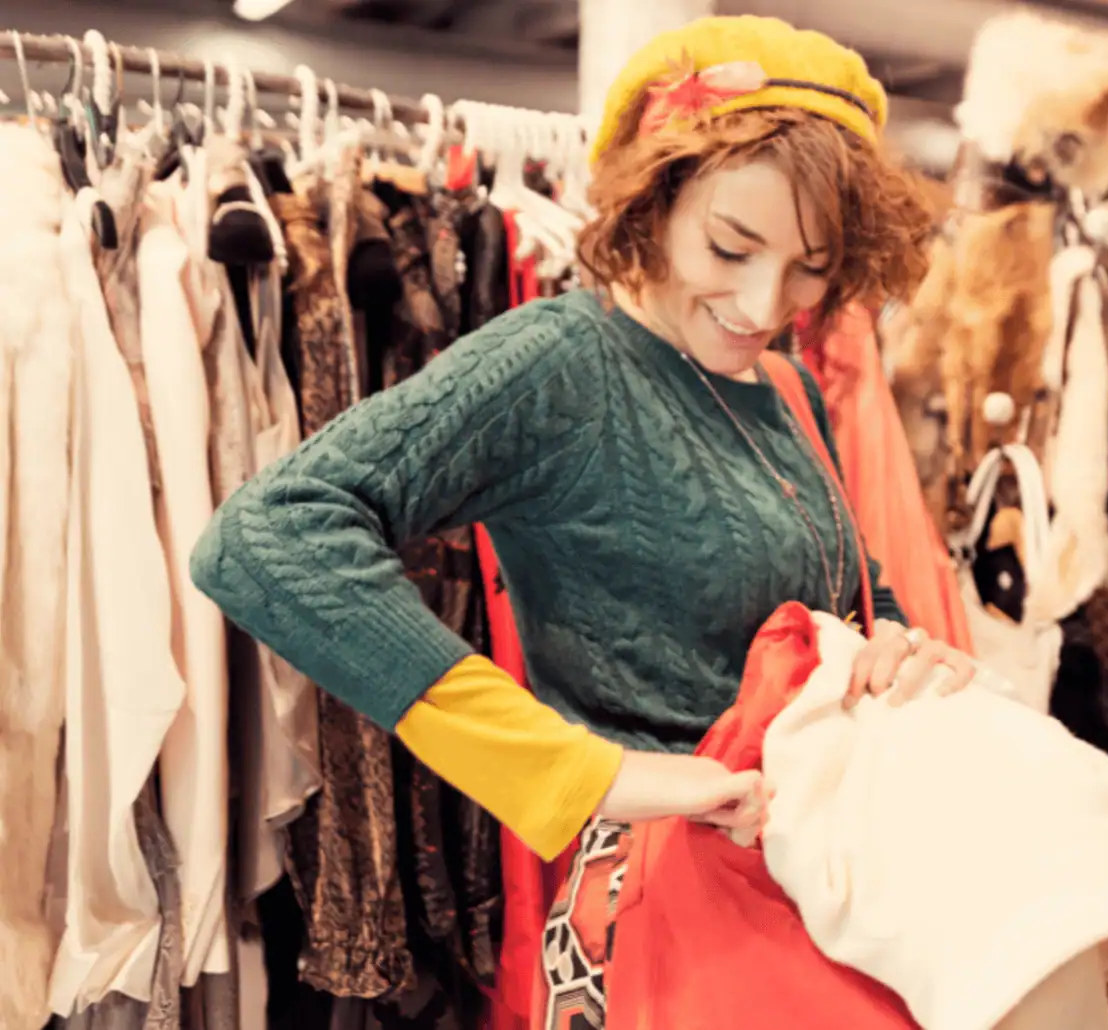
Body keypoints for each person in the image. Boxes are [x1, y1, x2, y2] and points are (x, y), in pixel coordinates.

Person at [190, 13, 973, 1025]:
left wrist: (894, 646)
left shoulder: (783, 383)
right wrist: (579, 769)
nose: (762, 299)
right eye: (730, 246)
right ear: (656, 199)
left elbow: (845, 579)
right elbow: (266, 535)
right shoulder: (564, 362)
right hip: (665, 919)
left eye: (809, 265)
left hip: (817, 882)